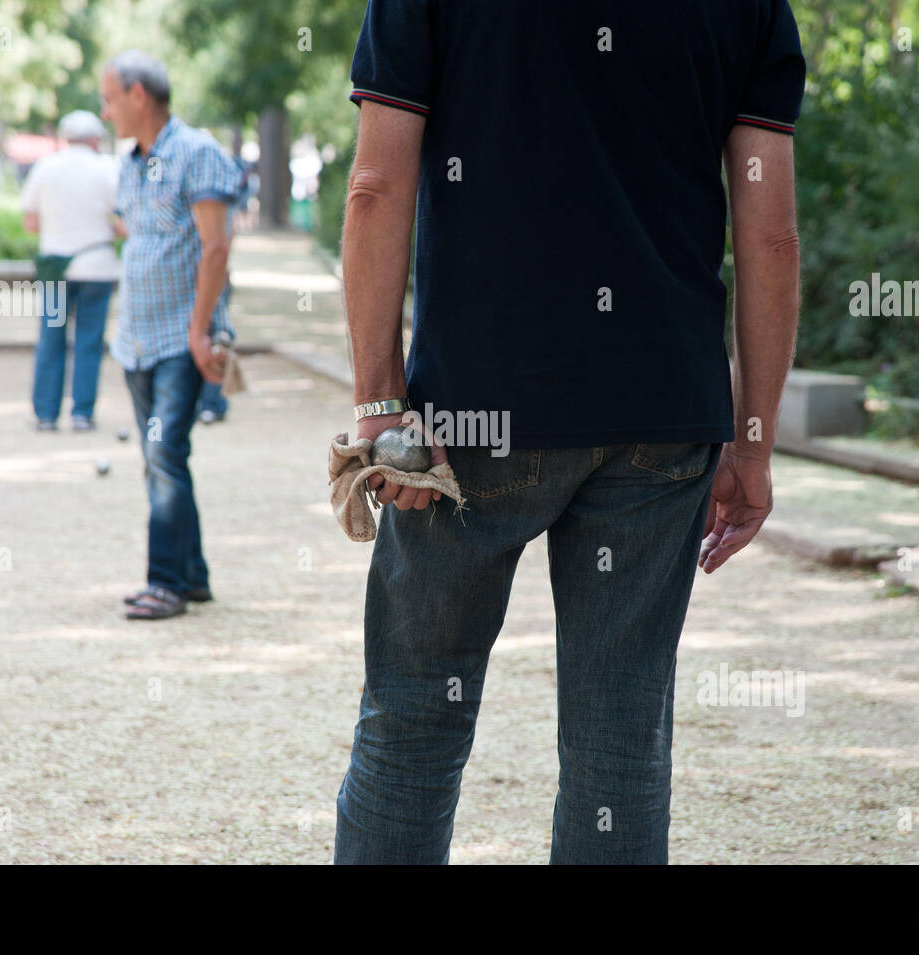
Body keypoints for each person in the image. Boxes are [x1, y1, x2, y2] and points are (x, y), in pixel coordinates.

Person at [334, 0, 805, 863]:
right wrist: (753, 442)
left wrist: (380, 410)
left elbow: (375, 185)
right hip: (661, 413)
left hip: (468, 419)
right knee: (619, 749)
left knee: (412, 724)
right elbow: (769, 235)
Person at [98, 50, 241, 620]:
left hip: (183, 338)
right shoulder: (130, 161)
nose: (105, 112)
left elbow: (217, 247)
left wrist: (202, 331)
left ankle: (166, 584)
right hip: (135, 337)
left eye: (109, 99)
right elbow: (134, 229)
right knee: (163, 459)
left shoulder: (198, 153)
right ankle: (193, 576)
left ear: (137, 94)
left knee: (163, 453)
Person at [20, 109, 120, 432]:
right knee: (89, 341)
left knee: (51, 339)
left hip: (56, 272)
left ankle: (46, 415)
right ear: (94, 139)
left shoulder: (45, 169)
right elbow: (122, 222)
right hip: (97, 268)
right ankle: (82, 413)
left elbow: (31, 223)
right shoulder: (108, 169)